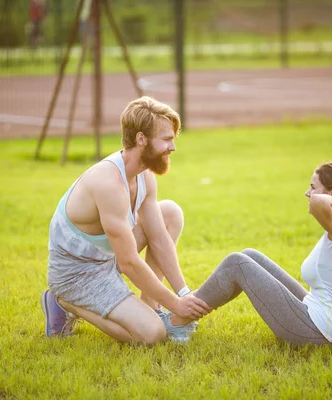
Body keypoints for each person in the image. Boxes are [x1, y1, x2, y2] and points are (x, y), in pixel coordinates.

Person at [41, 96, 211, 346]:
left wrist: (183, 293)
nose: (172, 147)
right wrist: (176, 306)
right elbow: (129, 262)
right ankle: (65, 301)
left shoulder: (144, 176)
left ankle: (150, 309)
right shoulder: (109, 183)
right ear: (141, 139)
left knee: (170, 213)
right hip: (77, 274)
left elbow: (159, 237)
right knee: (152, 335)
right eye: (166, 139)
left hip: (105, 259)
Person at [171, 162, 332, 345]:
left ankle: (176, 321)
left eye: (313, 187)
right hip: (313, 315)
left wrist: (331, 201)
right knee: (250, 255)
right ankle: (187, 310)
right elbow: (318, 202)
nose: (307, 193)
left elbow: (317, 204)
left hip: (312, 331)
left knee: (237, 263)